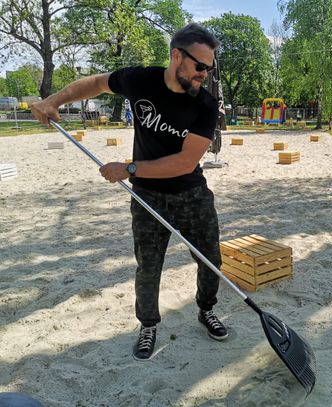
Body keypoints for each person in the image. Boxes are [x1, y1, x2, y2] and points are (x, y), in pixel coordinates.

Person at [31, 23, 228, 361]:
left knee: (210, 260)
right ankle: (148, 324)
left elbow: (185, 161)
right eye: (199, 67)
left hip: (191, 193)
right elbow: (94, 83)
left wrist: (129, 169)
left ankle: (206, 309)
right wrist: (52, 101)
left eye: (209, 69)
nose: (204, 75)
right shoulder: (141, 79)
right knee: (148, 266)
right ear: (177, 56)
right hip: (147, 196)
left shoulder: (206, 105)